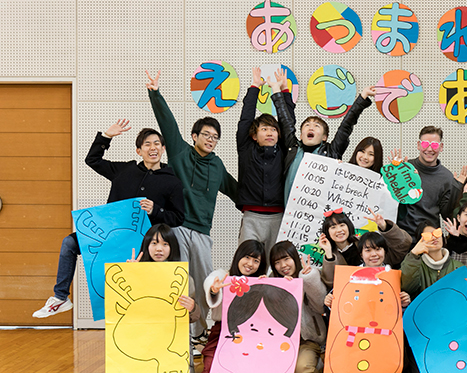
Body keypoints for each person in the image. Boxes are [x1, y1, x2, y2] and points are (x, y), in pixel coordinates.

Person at [34, 120, 185, 318]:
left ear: (163, 148)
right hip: (108, 237)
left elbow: (178, 218)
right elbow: (92, 160)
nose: (152, 147)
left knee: (131, 298)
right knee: (69, 243)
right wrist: (106, 136)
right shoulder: (124, 170)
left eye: (156, 143)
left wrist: (156, 210)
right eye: (147, 144)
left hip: (141, 245)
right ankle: (61, 297)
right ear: (139, 151)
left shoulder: (172, 181)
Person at [146, 70, 238, 341]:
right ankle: (181, 334)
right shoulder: (180, 153)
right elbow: (168, 125)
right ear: (195, 136)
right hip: (177, 228)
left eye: (215, 137)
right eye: (206, 135)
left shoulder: (217, 165)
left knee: (206, 283)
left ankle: (200, 332)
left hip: (202, 233)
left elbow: (236, 192)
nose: (210, 140)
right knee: (181, 282)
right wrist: (155, 93)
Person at [117, 223, 199, 373]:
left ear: (173, 248)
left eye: (165, 244)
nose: (159, 249)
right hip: (141, 339)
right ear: (146, 246)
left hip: (169, 340)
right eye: (154, 243)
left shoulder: (184, 279)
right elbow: (118, 307)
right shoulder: (134, 272)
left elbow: (193, 318)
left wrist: (192, 308)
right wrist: (129, 274)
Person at [275, 84, 375, 204]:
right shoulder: (292, 148)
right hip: (291, 217)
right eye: (307, 125)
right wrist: (276, 90)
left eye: (316, 126)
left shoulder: (332, 152)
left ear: (324, 137)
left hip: (322, 218)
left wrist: (363, 97)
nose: (311, 127)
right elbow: (285, 121)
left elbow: (346, 126)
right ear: (301, 135)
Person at [235, 67, 294, 254]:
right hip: (251, 216)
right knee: (247, 262)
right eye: (264, 129)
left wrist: (285, 91)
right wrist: (255, 87)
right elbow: (246, 119)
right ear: (254, 135)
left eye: (273, 130)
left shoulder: (284, 150)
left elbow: (288, 122)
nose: (270, 133)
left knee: (274, 265)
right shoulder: (246, 148)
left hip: (278, 216)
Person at [400, 221, 464, 373]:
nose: (434, 238)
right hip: (424, 330)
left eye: (437, 233)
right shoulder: (416, 265)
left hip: (452, 328)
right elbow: (406, 285)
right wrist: (414, 255)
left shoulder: (458, 267)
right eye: (427, 236)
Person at [200, 240, 268, 373]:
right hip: (223, 331)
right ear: (239, 256)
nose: (250, 264)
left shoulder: (261, 280)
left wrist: (268, 285)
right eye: (247, 257)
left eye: (256, 261)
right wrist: (214, 288)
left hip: (252, 334)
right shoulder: (223, 275)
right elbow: (211, 280)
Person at [269, 241, 328, 373]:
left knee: (303, 372)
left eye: (286, 259)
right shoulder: (272, 281)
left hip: (309, 341)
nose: (283, 265)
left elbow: (321, 306)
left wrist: (308, 279)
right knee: (271, 371)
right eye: (277, 262)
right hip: (281, 341)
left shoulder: (307, 275)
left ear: (295, 258)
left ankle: (318, 364)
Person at [396, 126, 463, 240]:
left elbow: (448, 214)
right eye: (425, 144)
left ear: (441, 147)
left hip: (430, 239)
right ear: (418, 145)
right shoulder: (405, 168)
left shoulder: (447, 178)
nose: (429, 149)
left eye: (435, 145)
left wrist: (458, 188)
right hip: (401, 237)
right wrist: (395, 174)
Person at [318, 208, 411, 289]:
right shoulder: (331, 255)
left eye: (342, 225)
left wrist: (384, 226)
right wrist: (328, 253)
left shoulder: (366, 242)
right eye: (333, 227)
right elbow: (331, 283)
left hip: (382, 288)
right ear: (327, 232)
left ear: (349, 226)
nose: (339, 230)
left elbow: (403, 246)